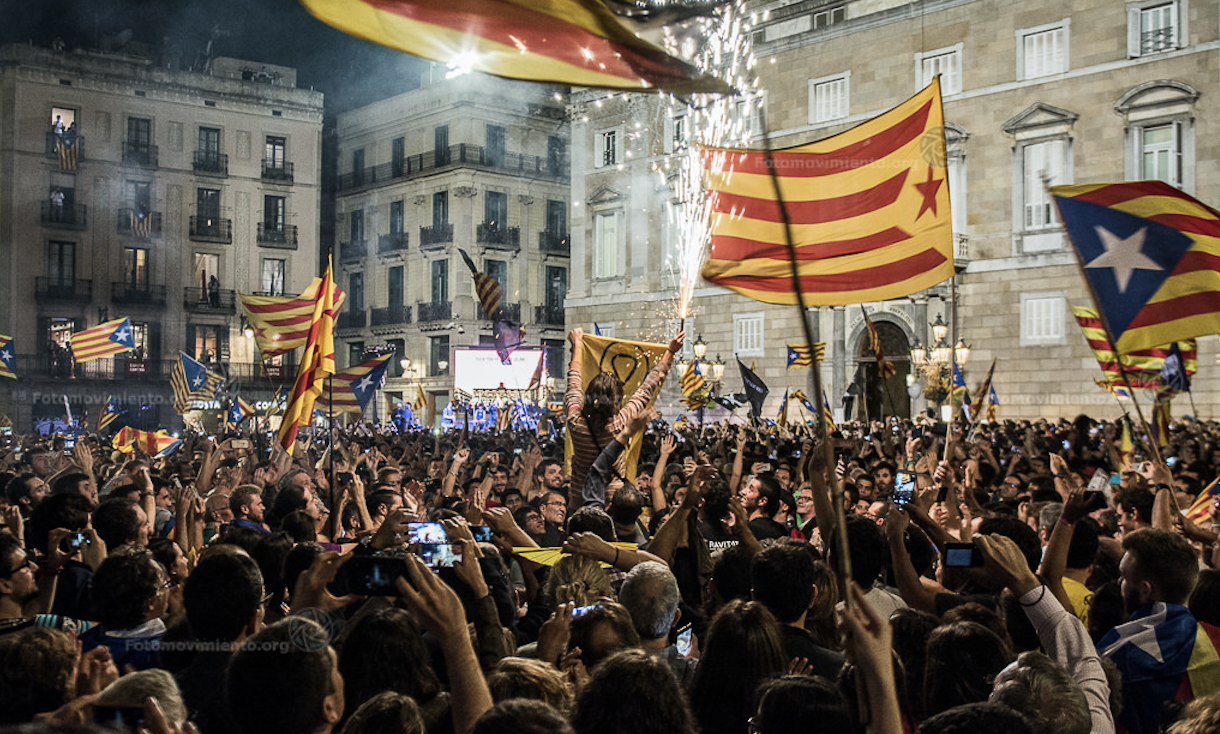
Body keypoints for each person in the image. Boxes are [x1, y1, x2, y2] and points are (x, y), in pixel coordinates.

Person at [1099, 529, 1220, 734]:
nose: (1119, 583)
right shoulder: (1215, 640)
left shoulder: (1115, 654)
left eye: (1124, 576)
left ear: (1146, 590)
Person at [565, 327, 683, 508]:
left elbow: (574, 379)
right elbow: (647, 388)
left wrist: (577, 345)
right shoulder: (620, 423)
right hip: (613, 502)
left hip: (580, 499)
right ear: (617, 402)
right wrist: (670, 352)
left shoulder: (574, 421)